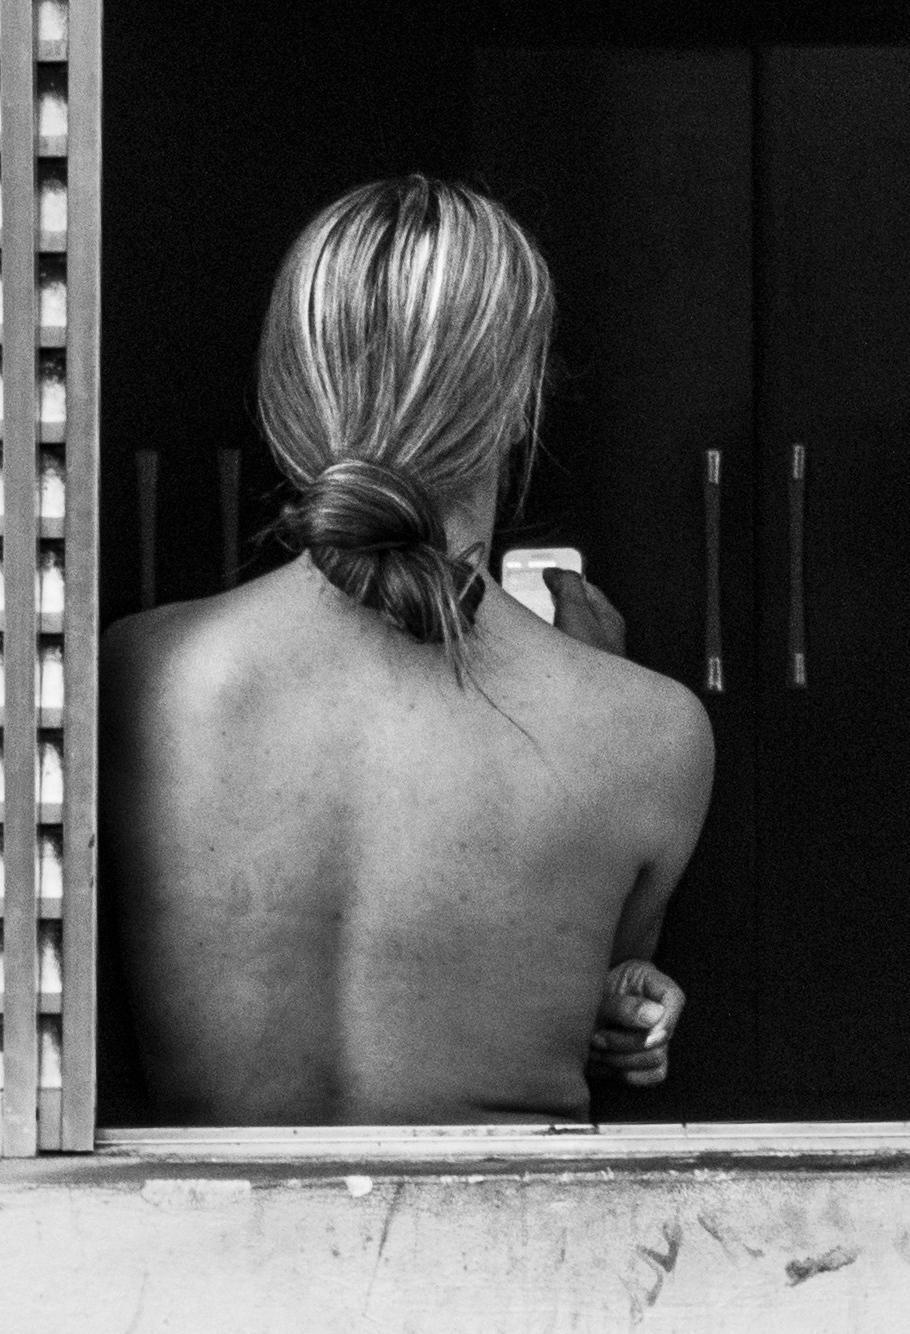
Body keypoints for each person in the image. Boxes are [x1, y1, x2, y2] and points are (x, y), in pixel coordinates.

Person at [106, 176, 715, 1127]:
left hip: (193, 1225)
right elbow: (569, 982)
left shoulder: (140, 675)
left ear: (288, 393)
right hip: (518, 1226)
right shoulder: (649, 732)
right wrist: (601, 679)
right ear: (517, 399)